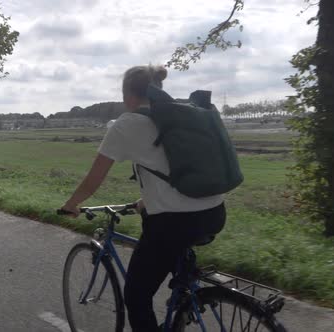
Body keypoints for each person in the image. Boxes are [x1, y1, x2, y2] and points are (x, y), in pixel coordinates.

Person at [60, 64, 226, 332]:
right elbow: (174, 170)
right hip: (215, 212)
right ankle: (186, 301)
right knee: (175, 260)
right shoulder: (179, 117)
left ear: (128, 95)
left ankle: (183, 302)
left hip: (173, 224)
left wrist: (71, 204)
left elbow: (94, 177)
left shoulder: (127, 123)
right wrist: (146, 201)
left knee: (137, 296)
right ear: (159, 90)